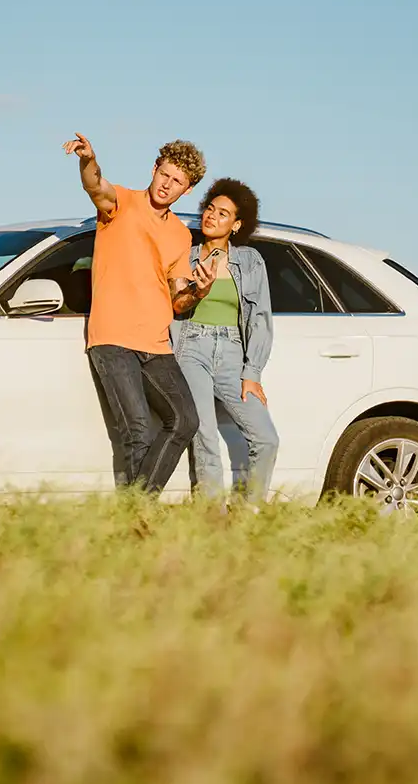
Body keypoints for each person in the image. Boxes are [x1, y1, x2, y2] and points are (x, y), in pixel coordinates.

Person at [63, 133, 218, 494]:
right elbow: (95, 185)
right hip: (113, 338)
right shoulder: (122, 203)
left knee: (184, 421)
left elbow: (180, 300)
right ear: (154, 169)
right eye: (164, 174)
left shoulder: (181, 235)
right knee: (137, 431)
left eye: (177, 181)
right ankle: (138, 522)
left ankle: (138, 510)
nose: (167, 184)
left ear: (188, 189)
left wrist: (202, 289)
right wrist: (87, 159)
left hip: (156, 343)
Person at [171, 178, 279, 507]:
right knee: (204, 437)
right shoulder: (183, 257)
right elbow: (176, 304)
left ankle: (248, 515)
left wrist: (253, 372)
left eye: (223, 213)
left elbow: (260, 317)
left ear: (236, 224)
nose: (212, 216)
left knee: (266, 438)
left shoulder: (249, 261)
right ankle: (212, 521)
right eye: (209, 209)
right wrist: (196, 290)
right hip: (192, 346)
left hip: (233, 351)